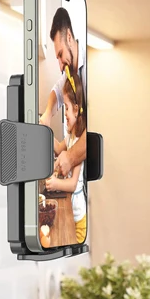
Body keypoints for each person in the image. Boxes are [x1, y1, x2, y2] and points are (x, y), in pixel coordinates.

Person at [40, 7, 87, 178]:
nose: (60, 65)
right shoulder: (69, 73)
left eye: (60, 55)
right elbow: (57, 91)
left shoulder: (89, 67)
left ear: (69, 37)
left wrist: (71, 156)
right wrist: (46, 115)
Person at [44, 75, 87, 244]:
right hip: (72, 211)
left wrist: (54, 184)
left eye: (67, 109)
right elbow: (58, 148)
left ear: (76, 109)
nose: (66, 115)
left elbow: (73, 184)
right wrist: (45, 132)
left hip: (79, 221)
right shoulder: (70, 137)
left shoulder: (79, 145)